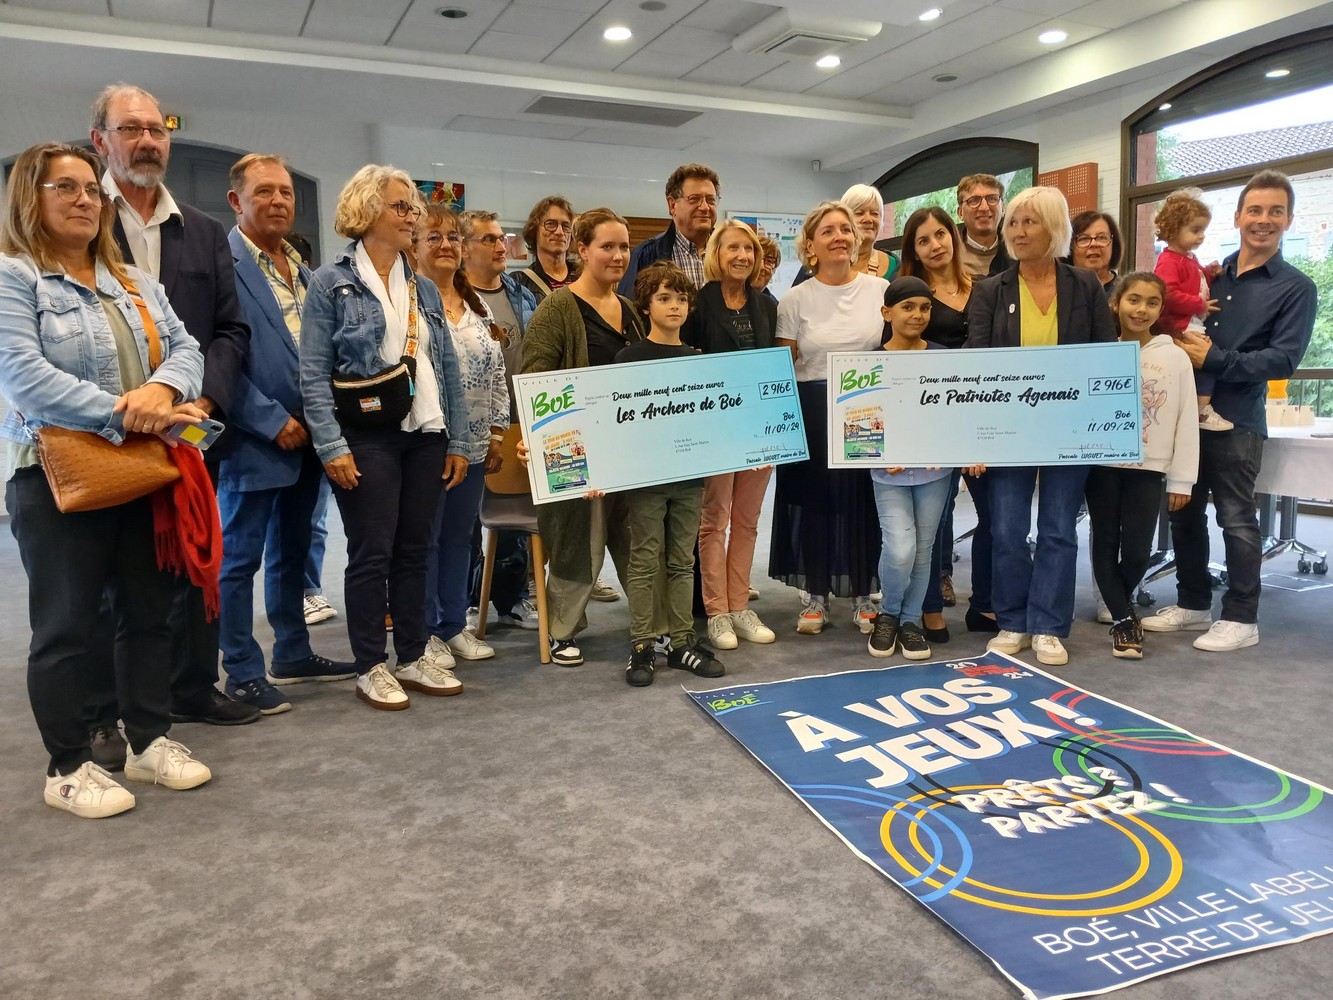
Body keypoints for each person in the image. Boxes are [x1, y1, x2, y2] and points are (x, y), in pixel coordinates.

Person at [0, 141, 212, 816]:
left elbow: (187, 348)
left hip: (139, 471)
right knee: (67, 627)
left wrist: (161, 391)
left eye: (91, 189)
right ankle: (67, 767)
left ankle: (149, 740)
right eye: (65, 188)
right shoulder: (13, 277)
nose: (84, 200)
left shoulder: (133, 281)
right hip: (55, 475)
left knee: (148, 614)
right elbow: (25, 378)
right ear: (29, 198)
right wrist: (129, 412)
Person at [87, 82, 257, 740]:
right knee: (112, 573)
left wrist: (205, 398)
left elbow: (230, 330)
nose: (147, 141)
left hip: (189, 428)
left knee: (193, 557)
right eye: (131, 129)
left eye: (157, 130)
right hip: (110, 429)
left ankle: (191, 687)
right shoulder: (81, 220)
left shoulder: (203, 230)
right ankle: (107, 709)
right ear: (100, 141)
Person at [300, 164, 472, 710]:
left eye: (413, 208)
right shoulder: (330, 282)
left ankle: (414, 655)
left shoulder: (422, 286)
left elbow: (446, 367)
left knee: (416, 549)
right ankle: (370, 664)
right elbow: (313, 372)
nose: (412, 216)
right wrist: (331, 445)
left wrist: (459, 440)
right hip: (365, 435)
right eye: (402, 206)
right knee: (372, 552)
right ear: (368, 209)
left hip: (426, 431)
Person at [1142, 169, 1317, 652]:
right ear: (1238, 217)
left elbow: (1282, 360)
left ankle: (1242, 617)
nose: (1264, 220)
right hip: (1184, 418)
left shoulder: (1296, 287)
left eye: (1275, 212)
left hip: (1237, 419)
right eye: (1254, 210)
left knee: (1236, 519)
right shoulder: (1211, 274)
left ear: (1288, 220)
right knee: (1183, 513)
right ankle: (1194, 603)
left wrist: (1214, 359)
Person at [216, 154, 355, 715]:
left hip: (311, 435)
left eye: (286, 192)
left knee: (294, 551)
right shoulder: (221, 264)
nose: (278, 201)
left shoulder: (302, 268)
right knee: (238, 559)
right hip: (255, 437)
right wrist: (271, 420)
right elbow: (213, 357)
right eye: (264, 191)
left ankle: (292, 652)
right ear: (236, 201)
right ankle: (241, 670)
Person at [965, 186, 1116, 666]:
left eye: (1028, 222)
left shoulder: (1085, 285)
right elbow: (975, 366)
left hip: (1068, 429)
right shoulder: (990, 290)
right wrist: (974, 436)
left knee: (1057, 529)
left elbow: (1104, 356)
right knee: (1008, 529)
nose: (1018, 231)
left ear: (1053, 228)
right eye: (1013, 222)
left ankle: (1049, 626)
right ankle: (1012, 620)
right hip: (1008, 430)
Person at [521, 207, 645, 665]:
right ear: (582, 250)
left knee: (637, 535)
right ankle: (562, 629)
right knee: (580, 540)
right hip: (577, 452)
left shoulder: (631, 311)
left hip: (628, 450)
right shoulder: (557, 309)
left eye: (624, 247)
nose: (618, 256)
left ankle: (650, 622)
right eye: (606, 246)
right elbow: (536, 380)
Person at [771, 201, 886, 636]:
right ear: (810, 246)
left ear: (856, 239)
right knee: (816, 502)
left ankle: (863, 593)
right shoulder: (794, 299)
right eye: (828, 231)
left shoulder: (881, 290)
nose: (839, 236)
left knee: (863, 501)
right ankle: (815, 594)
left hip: (865, 408)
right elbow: (785, 367)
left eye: (845, 229)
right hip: (813, 409)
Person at [619, 262, 726, 686]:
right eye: (664, 298)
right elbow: (617, 422)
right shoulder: (628, 359)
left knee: (683, 561)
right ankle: (642, 644)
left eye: (681, 298)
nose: (675, 306)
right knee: (645, 560)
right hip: (646, 479)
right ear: (646, 306)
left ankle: (681, 642)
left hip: (688, 477)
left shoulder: (698, 360)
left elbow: (712, 419)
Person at [868, 277, 985, 661]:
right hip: (890, 475)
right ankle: (888, 614)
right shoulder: (867, 363)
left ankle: (910, 621)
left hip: (935, 473)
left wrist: (962, 448)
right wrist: (878, 454)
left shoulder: (943, 358)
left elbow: (958, 412)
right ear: (887, 313)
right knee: (900, 547)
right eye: (908, 307)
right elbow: (858, 423)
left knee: (923, 550)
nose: (917, 315)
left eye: (925, 308)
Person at [1087, 272, 1198, 659]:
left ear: (1160, 309)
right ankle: (1124, 620)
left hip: (1148, 469)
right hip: (1101, 465)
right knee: (1104, 543)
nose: (1141, 309)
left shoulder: (1175, 357)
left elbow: (1186, 419)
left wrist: (1182, 480)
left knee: (1137, 550)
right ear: (1116, 302)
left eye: (1152, 302)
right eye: (1133, 299)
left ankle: (1118, 603)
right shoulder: (1099, 352)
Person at [416, 206, 508, 664]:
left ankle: (453, 624)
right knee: (425, 541)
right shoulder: (408, 303)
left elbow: (496, 371)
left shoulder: (477, 305)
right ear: (413, 247)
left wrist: (497, 431)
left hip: (473, 443)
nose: (446, 245)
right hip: (426, 441)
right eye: (433, 237)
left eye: (453, 237)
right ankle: (424, 631)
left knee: (459, 538)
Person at [681, 219, 778, 651]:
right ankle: (717, 611)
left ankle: (740, 605)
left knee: (747, 522)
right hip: (715, 430)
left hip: (758, 428)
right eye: (733, 248)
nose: (742, 256)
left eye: (749, 249)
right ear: (716, 254)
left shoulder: (766, 305)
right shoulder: (697, 304)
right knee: (714, 522)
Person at [457, 209, 552, 623]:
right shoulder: (450, 295)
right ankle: (464, 603)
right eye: (489, 239)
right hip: (467, 425)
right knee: (464, 521)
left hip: (518, 421)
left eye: (501, 238)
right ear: (464, 249)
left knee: (513, 520)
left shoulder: (522, 293)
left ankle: (509, 600)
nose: (501, 246)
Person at [898, 206, 986, 641]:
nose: (935, 245)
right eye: (923, 240)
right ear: (913, 251)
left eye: (940, 235)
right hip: (932, 417)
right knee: (935, 519)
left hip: (982, 412)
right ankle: (930, 605)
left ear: (954, 235)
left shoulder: (985, 289)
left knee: (992, 513)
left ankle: (984, 601)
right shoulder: (913, 297)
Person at [1152, 189, 1231, 432]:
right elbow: (1168, 294)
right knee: (1208, 359)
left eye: (1203, 230)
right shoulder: (1168, 261)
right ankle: (1201, 410)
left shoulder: (1188, 258)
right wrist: (1199, 305)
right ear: (1174, 230)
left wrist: (1209, 272)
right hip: (1180, 324)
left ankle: (1196, 408)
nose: (1201, 236)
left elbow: (1195, 280)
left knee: (1205, 360)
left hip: (1189, 321)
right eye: (1195, 230)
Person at [618, 163, 719, 295]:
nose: (705, 207)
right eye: (694, 199)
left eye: (711, 200)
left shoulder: (729, 254)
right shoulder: (644, 255)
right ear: (672, 205)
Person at [791, 184, 899, 288]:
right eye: (859, 213)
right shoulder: (815, 266)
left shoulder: (896, 267)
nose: (868, 219)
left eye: (875, 214)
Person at [515, 195, 576, 301]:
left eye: (566, 226)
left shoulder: (585, 276)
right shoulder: (519, 283)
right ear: (534, 230)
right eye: (551, 224)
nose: (560, 232)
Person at [956, 173, 1011, 279]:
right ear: (960, 213)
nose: (984, 208)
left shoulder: (1018, 252)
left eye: (992, 199)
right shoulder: (950, 259)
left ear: (1003, 208)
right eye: (974, 200)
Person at [1067, 210, 1123, 295]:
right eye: (1083, 238)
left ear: (1114, 245)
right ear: (1070, 247)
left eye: (1102, 237)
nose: (1093, 244)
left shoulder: (1126, 291)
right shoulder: (1058, 289)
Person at [752, 234, 781, 304]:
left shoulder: (774, 306)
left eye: (769, 261)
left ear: (774, 270)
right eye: (757, 259)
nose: (761, 267)